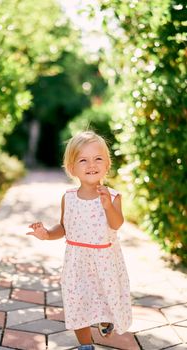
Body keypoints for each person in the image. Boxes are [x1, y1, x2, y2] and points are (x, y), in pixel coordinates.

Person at [26, 130, 132, 350]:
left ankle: (106, 319)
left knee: (105, 298)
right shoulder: (69, 198)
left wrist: (107, 207)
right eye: (83, 160)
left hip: (105, 262)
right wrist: (46, 234)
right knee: (77, 304)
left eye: (98, 159)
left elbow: (116, 224)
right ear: (72, 167)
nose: (91, 164)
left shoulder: (112, 196)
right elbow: (64, 227)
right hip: (76, 264)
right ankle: (86, 345)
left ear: (107, 164)